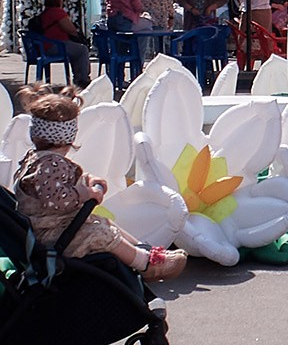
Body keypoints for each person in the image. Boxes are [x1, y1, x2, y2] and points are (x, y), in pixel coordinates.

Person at [13, 85, 186, 282]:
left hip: (55, 227)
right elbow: (57, 200)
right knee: (100, 233)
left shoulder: (39, 159)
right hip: (51, 235)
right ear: (69, 137)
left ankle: (146, 251)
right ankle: (146, 264)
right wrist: (85, 194)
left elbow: (58, 183)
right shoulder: (50, 164)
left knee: (103, 223)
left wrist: (87, 180)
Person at [31, 0, 93, 87]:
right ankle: (82, 79)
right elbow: (71, 30)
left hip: (45, 47)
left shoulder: (45, 13)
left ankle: (79, 78)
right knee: (82, 50)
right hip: (56, 46)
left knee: (75, 50)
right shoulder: (58, 13)